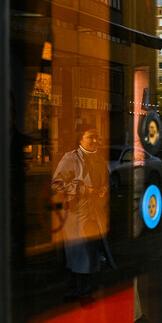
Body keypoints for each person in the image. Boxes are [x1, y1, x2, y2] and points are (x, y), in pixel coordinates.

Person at [52, 124, 115, 302]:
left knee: (87, 254)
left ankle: (72, 292)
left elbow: (108, 181)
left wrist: (104, 188)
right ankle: (84, 294)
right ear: (80, 139)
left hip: (95, 215)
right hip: (77, 215)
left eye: (96, 137)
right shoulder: (70, 158)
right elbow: (56, 185)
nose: (95, 141)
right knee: (81, 255)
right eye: (90, 137)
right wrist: (81, 189)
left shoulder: (99, 159)